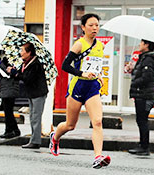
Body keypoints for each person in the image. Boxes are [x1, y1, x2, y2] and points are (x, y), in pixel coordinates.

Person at [49, 13, 111, 169]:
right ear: (83, 27)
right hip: (77, 87)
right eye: (91, 25)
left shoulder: (100, 46)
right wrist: (82, 73)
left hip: (92, 89)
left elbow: (96, 66)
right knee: (70, 125)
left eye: (97, 25)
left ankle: (98, 157)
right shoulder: (79, 44)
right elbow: (65, 66)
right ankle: (55, 137)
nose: (95, 28)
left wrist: (99, 76)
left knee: (97, 122)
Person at [9, 42, 48, 149]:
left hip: (38, 93)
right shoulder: (26, 63)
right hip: (31, 93)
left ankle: (35, 141)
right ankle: (34, 140)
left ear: (29, 52)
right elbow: (22, 76)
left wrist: (16, 74)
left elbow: (28, 78)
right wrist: (14, 72)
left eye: (22, 50)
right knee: (32, 117)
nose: (20, 53)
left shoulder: (35, 64)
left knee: (36, 117)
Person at [127, 39, 154, 156]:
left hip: (144, 95)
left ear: (147, 45)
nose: (139, 44)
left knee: (142, 120)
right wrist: (133, 70)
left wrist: (134, 83)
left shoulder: (148, 59)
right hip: (143, 94)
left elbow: (146, 77)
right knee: (141, 120)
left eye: (141, 43)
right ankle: (142, 145)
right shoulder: (145, 57)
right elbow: (142, 73)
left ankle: (144, 147)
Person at [0, 51, 21, 139]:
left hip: (11, 87)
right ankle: (15, 129)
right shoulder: (3, 60)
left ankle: (9, 130)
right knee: (8, 110)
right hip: (5, 86)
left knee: (8, 111)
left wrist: (11, 71)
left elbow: (17, 73)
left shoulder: (15, 60)